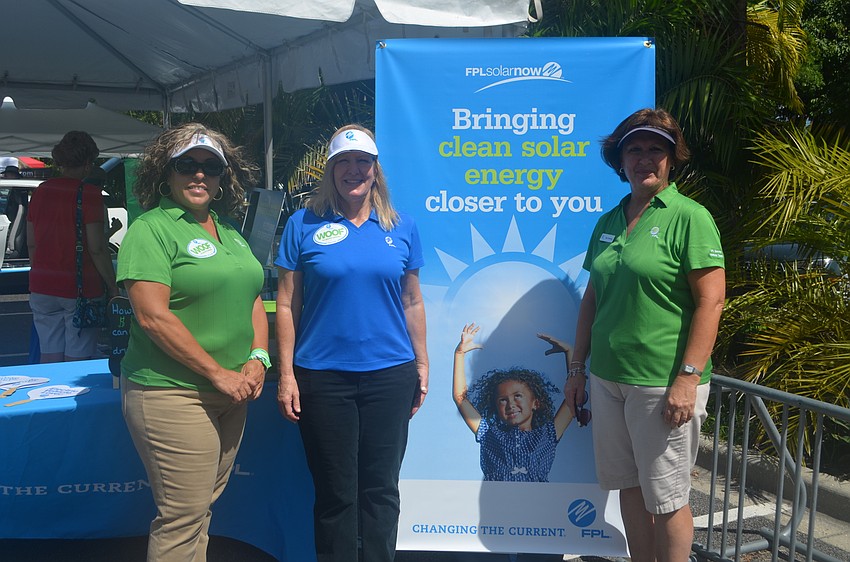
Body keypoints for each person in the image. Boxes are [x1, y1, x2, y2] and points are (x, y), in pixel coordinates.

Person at [565, 108, 725, 562]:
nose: (644, 158)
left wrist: (688, 378)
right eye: (634, 149)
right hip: (609, 378)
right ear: (620, 160)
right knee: (630, 489)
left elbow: (711, 301)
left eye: (657, 148)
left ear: (673, 158)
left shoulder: (689, 217)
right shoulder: (610, 220)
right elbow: (592, 300)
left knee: (669, 498)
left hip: (662, 383)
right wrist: (577, 369)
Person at [275, 124, 429, 562]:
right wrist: (286, 375)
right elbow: (286, 303)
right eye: (344, 161)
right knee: (336, 495)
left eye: (363, 161)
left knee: (381, 492)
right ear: (330, 170)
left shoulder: (401, 227)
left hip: (389, 376)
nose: (354, 170)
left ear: (376, 171)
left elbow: (413, 301)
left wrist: (422, 364)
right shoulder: (302, 224)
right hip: (322, 379)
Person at [117, 123, 268, 561]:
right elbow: (152, 316)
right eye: (188, 165)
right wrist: (217, 373)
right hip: (172, 393)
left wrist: (258, 358)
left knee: (200, 510)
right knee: (182, 517)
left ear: (224, 177)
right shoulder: (152, 229)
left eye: (211, 167)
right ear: (167, 173)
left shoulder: (229, 232)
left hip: (232, 392)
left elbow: (253, 297)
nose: (199, 175)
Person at [26, 131, 118, 363]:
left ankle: (50, 397)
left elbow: (32, 243)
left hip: (42, 285)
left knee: (49, 353)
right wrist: (112, 285)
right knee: (78, 356)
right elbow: (97, 248)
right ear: (87, 164)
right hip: (80, 287)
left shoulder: (39, 192)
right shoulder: (89, 194)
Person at [452, 323, 579, 482]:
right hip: (497, 502)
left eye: (518, 396)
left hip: (538, 502)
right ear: (496, 407)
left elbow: (571, 401)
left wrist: (571, 355)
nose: (511, 404)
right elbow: (460, 398)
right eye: (503, 400)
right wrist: (459, 354)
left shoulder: (547, 434)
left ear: (536, 403)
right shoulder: (489, 433)